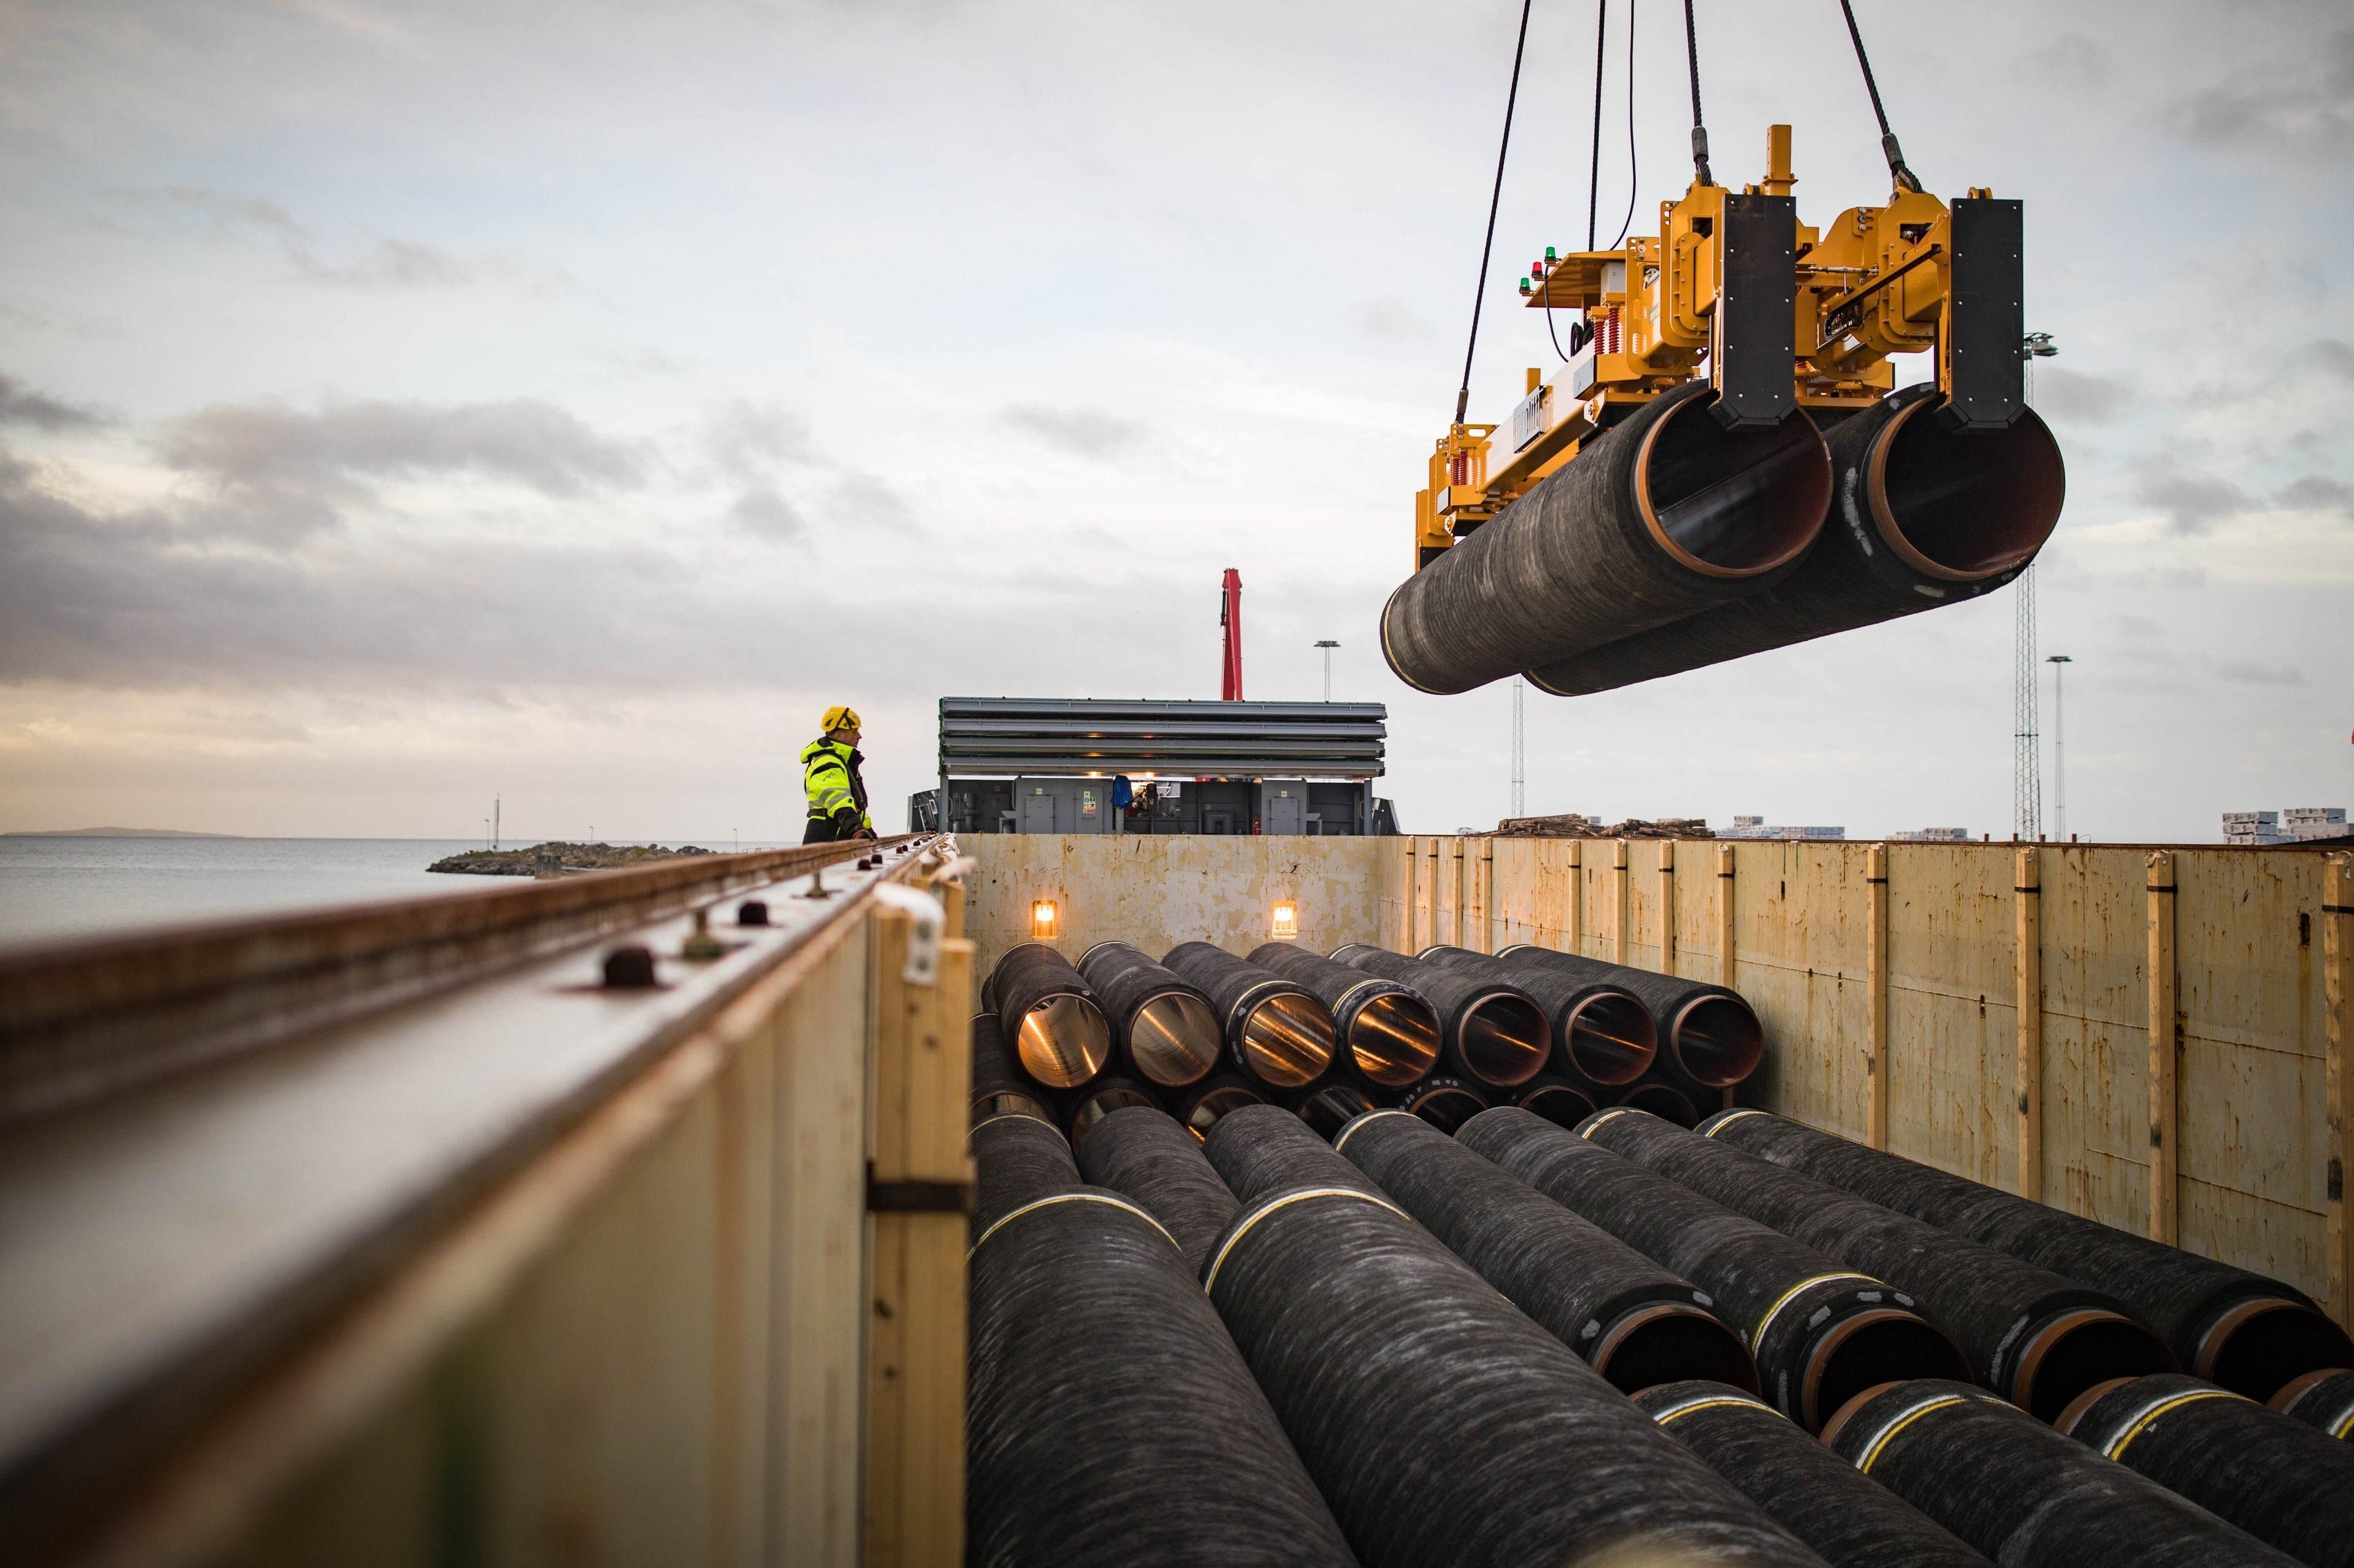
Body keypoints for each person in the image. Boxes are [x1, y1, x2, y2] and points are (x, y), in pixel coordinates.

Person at [802, 705, 876, 843]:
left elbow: (855, 807)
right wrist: (856, 828)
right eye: (854, 731)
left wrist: (868, 830)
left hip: (838, 835)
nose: (859, 736)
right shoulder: (828, 762)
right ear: (839, 734)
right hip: (828, 838)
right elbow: (837, 799)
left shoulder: (843, 762)